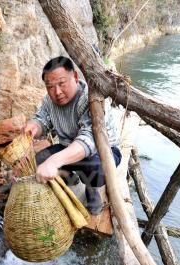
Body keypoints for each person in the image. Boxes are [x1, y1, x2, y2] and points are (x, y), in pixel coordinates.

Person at [24, 56, 121, 217]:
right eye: (50, 87)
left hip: (102, 151)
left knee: (95, 169)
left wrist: (54, 161)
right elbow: (42, 119)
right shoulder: (49, 101)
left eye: (62, 84)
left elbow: (89, 139)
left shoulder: (91, 98)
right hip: (69, 147)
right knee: (39, 160)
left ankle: (92, 189)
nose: (57, 92)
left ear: (75, 77)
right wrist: (33, 127)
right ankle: (70, 178)